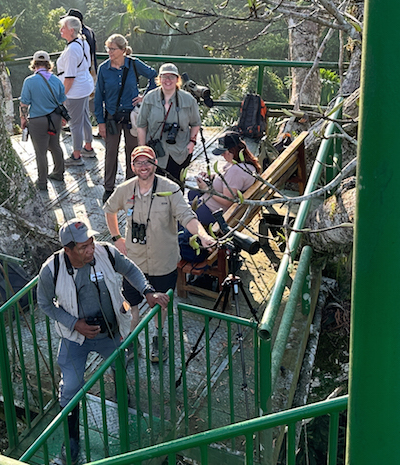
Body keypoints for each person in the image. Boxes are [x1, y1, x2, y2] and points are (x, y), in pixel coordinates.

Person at [37, 217, 169, 465]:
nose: (90, 249)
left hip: (110, 332)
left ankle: (123, 396)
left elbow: (129, 269)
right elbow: (44, 304)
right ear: (68, 250)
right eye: (83, 247)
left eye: (91, 242)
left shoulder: (106, 253)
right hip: (75, 338)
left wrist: (147, 291)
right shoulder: (51, 269)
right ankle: (71, 444)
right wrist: (75, 324)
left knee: (119, 366)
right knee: (70, 390)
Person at [104, 145, 213, 361]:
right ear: (133, 166)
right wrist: (117, 238)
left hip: (163, 262)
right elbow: (109, 210)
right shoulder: (125, 189)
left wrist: (202, 235)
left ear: (155, 163)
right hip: (134, 262)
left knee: (161, 305)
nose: (143, 167)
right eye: (139, 162)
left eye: (148, 162)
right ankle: (131, 341)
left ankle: (158, 338)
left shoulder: (170, 188)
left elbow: (186, 216)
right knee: (131, 305)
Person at [93, 34, 157, 203]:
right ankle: (109, 188)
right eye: (108, 48)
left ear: (122, 50)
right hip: (112, 116)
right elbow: (99, 96)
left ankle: (131, 185)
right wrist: (100, 121)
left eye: (113, 49)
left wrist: (146, 96)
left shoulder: (133, 64)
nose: (109, 52)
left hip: (132, 116)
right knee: (111, 151)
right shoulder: (104, 69)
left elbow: (153, 75)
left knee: (133, 151)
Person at [185, 131, 262, 239]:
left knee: (181, 215)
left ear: (233, 151)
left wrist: (207, 189)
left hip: (214, 211)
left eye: (224, 152)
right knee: (192, 194)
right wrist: (211, 177)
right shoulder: (243, 165)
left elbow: (228, 201)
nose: (222, 155)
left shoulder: (236, 171)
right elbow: (229, 182)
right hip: (211, 204)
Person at [136, 63, 201, 185]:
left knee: (177, 186)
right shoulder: (150, 98)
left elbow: (196, 123)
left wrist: (192, 143)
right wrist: (143, 149)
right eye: (164, 77)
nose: (168, 80)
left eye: (172, 77)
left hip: (180, 150)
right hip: (156, 151)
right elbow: (141, 125)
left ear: (177, 79)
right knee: (155, 186)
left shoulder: (188, 99)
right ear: (159, 79)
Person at [19, 51, 67, 192]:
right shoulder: (57, 80)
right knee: (55, 146)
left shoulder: (29, 81)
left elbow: (24, 103)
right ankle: (59, 173)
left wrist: (23, 119)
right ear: (48, 64)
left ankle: (42, 182)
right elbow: (62, 101)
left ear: (34, 64)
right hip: (55, 118)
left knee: (40, 152)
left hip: (37, 120)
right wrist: (63, 118)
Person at [56, 14, 96, 165]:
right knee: (84, 117)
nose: (61, 30)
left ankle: (77, 155)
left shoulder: (73, 49)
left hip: (76, 90)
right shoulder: (82, 41)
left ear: (71, 30)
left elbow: (70, 77)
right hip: (84, 85)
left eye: (63, 27)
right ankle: (88, 146)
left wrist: (61, 96)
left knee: (75, 123)